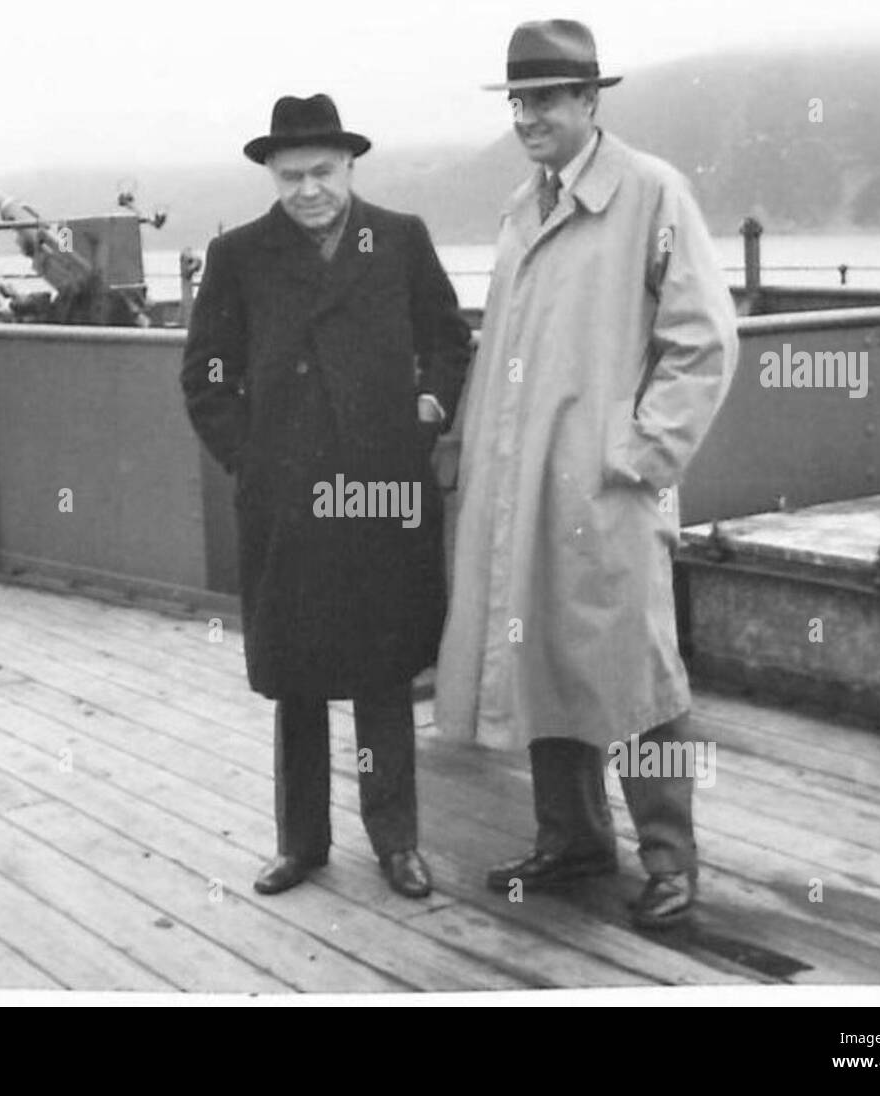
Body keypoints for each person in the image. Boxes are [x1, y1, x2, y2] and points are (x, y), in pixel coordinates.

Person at [434, 20, 739, 928]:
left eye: (545, 99)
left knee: (638, 674)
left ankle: (672, 861)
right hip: (520, 482)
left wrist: (638, 453)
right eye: (518, 99)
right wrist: (464, 441)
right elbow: (502, 350)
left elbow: (704, 341)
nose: (528, 116)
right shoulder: (519, 208)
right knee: (541, 660)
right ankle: (571, 839)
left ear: (589, 101)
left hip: (605, 484)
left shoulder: (652, 194)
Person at [181, 93, 471, 898]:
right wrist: (252, 460)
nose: (308, 189)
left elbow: (449, 338)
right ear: (270, 177)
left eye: (322, 172)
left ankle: (397, 842)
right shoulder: (238, 254)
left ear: (349, 166)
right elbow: (205, 374)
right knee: (297, 678)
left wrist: (429, 409)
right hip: (289, 501)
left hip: (381, 492)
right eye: (290, 176)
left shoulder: (401, 238)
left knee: (382, 675)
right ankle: (301, 844)